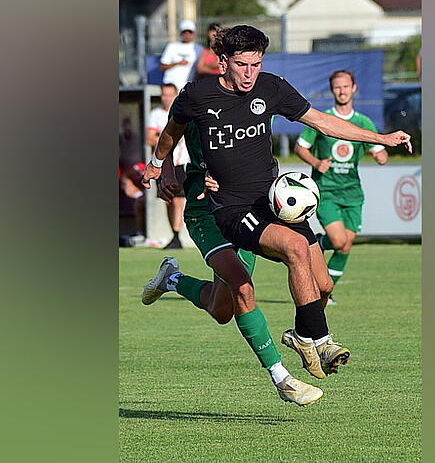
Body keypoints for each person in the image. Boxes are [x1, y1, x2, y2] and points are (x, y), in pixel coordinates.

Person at [141, 25, 412, 388]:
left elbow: (322, 121)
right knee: (292, 251)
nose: (250, 73)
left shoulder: (271, 88)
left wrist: (381, 137)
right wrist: (159, 164)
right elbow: (172, 131)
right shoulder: (198, 94)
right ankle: (318, 339)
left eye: (256, 64)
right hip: (231, 207)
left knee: (320, 285)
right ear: (224, 62)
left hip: (272, 200)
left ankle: (178, 281)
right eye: (242, 65)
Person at [141, 112, 322, 406]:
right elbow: (170, 133)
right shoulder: (197, 98)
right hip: (205, 212)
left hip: (246, 210)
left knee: (221, 309)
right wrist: (167, 171)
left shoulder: (256, 100)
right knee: (243, 287)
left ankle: (172, 279)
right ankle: (282, 378)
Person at [295, 70, 390, 304]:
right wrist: (317, 163)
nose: (342, 91)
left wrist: (381, 156)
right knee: (338, 241)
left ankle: (325, 294)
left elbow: (380, 151)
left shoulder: (363, 122)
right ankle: (319, 244)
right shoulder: (322, 119)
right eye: (337, 87)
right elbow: (300, 147)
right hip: (326, 190)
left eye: (346, 86)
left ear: (354, 88)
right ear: (332, 90)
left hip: (353, 193)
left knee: (346, 246)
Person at [146, 83, 189, 249]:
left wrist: (163, 135)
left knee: (178, 200)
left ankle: (177, 235)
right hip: (162, 164)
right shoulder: (156, 114)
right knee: (167, 199)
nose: (167, 98)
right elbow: (150, 138)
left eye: (170, 95)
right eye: (164, 95)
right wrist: (169, 137)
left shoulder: (182, 112)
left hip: (180, 162)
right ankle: (174, 234)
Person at [159, 20, 200, 90]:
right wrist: (178, 63)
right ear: (181, 33)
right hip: (171, 85)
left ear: (194, 34)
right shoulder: (172, 46)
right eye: (184, 32)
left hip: (188, 86)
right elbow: (162, 67)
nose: (187, 35)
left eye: (190, 32)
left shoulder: (199, 49)